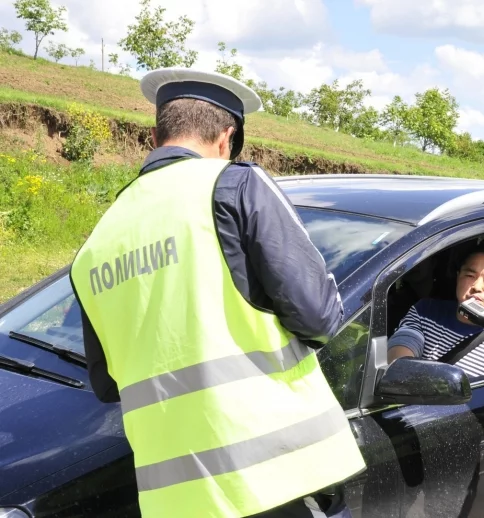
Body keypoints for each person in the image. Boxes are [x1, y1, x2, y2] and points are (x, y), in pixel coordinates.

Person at [68, 68, 366, 518]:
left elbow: (108, 383)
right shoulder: (236, 184)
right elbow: (319, 317)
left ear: (156, 134)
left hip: (174, 495)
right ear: (226, 139)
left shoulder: (100, 237)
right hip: (274, 475)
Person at [387, 238, 484, 378]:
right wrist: (401, 372)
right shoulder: (425, 311)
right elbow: (402, 346)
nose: (477, 287)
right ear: (458, 276)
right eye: (470, 275)